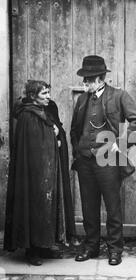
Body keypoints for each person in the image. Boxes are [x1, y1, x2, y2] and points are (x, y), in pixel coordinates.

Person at [71, 55, 136, 265]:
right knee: (88, 206)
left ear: (101, 79)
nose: (84, 83)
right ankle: (91, 246)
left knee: (113, 206)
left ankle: (115, 249)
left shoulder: (118, 96)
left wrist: (121, 143)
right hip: (85, 161)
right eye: (84, 79)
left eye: (88, 79)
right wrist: (78, 150)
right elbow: (75, 129)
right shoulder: (82, 99)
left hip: (108, 161)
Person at [4, 80, 79, 266]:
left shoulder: (48, 109)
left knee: (49, 206)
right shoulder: (26, 116)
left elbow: (57, 130)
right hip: (33, 171)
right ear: (32, 96)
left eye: (48, 92)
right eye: (44, 94)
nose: (48, 97)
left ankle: (46, 246)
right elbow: (34, 144)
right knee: (34, 205)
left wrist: (57, 133)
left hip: (49, 169)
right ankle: (32, 250)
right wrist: (53, 138)